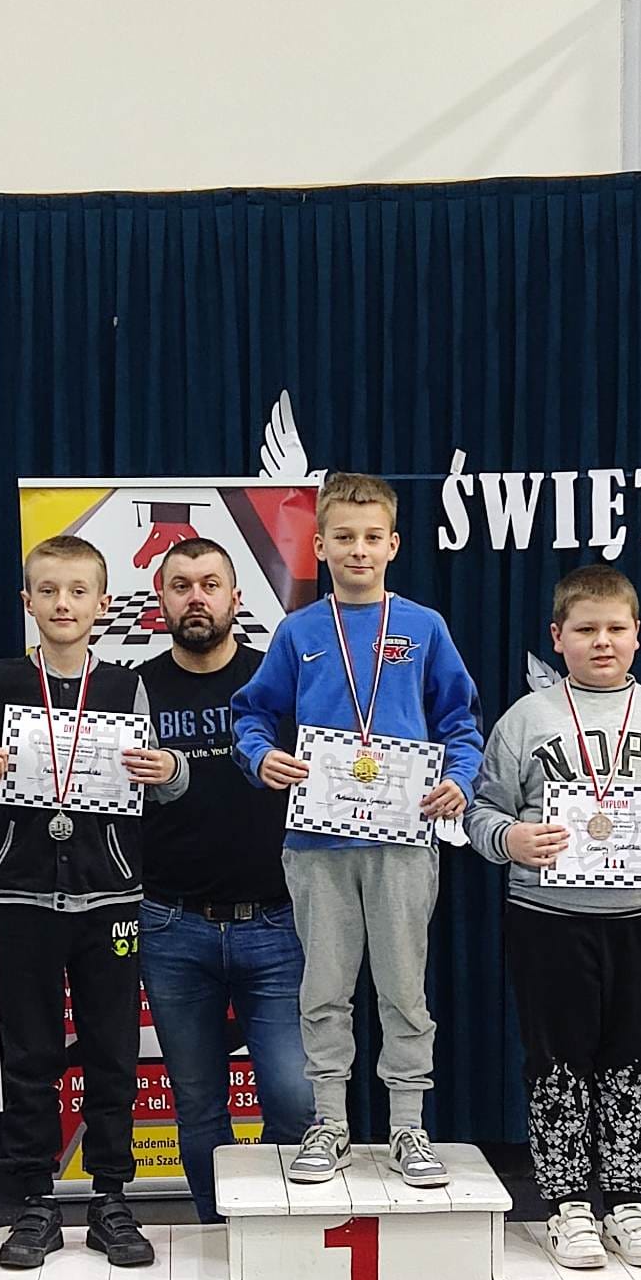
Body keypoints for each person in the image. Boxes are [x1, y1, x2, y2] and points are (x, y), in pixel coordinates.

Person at [0, 534, 187, 1270]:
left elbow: (170, 779)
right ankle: (35, 1200)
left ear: (104, 605)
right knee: (31, 1053)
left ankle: (111, 1199)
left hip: (112, 900)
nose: (62, 603)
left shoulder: (126, 686)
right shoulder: (3, 680)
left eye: (77, 591)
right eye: (48, 591)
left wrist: (167, 769)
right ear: (28, 602)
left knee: (112, 1053)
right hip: (24, 897)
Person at [466, 564, 641, 1268]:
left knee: (632, 1061)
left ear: (638, 635)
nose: (602, 641)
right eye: (586, 630)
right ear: (558, 637)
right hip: (549, 916)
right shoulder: (527, 719)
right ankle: (567, 1206)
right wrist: (510, 839)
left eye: (615, 628)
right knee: (557, 1062)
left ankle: (627, 1203)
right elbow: (480, 813)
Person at [232, 472, 481, 1187]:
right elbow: (252, 714)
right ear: (319, 546)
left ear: (394, 545)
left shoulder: (424, 627)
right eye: (344, 537)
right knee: (324, 989)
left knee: (404, 990)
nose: (359, 550)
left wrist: (460, 781)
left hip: (402, 839)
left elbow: (461, 722)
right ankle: (330, 1124)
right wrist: (260, 756)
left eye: (373, 537)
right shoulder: (299, 631)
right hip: (317, 843)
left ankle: (408, 1127)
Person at [136, 539, 314, 1223]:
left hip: (276, 922)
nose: (196, 598)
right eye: (181, 585)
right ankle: (220, 1233)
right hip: (172, 924)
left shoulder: (279, 680)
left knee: (295, 1099)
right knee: (199, 1104)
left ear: (237, 598)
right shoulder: (135, 690)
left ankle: (272, 1229)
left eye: (210, 584)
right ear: (160, 601)